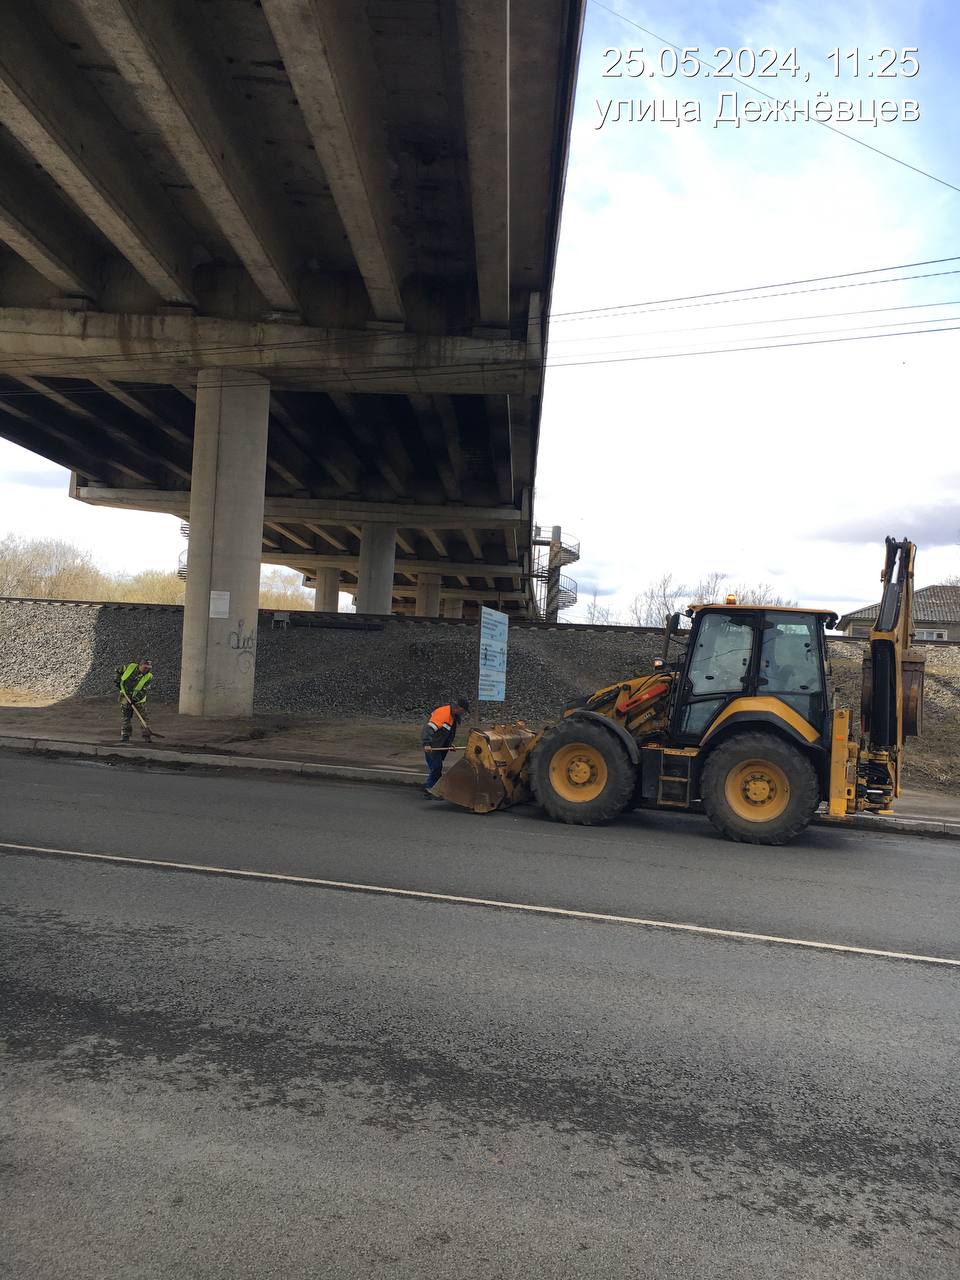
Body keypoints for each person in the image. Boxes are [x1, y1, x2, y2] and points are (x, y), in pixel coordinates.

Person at [421, 697, 470, 795]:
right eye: (464, 711)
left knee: (437, 768)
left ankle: (433, 788)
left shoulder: (452, 716)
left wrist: (449, 744)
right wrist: (427, 744)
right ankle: (429, 789)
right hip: (432, 746)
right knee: (436, 767)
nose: (463, 713)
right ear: (459, 708)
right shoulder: (444, 713)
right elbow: (429, 729)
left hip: (437, 746)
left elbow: (445, 732)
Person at [117, 658, 153, 742]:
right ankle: (125, 736)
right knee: (126, 717)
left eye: (148, 668)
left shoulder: (149, 676)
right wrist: (117, 679)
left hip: (138, 701)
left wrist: (135, 699)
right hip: (125, 697)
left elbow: (144, 690)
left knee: (143, 718)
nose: (146, 670)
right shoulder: (130, 667)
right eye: (145, 667)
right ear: (140, 665)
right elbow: (118, 670)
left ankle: (147, 736)